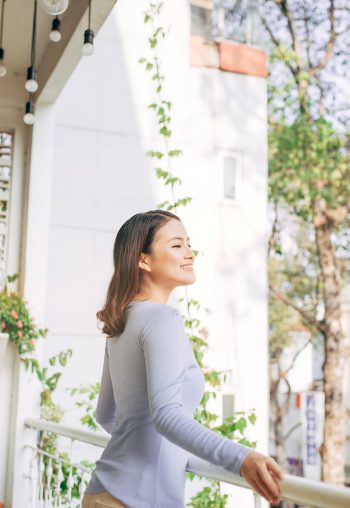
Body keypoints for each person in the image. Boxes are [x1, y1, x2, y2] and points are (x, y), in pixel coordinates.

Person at [82, 210, 284, 508]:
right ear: (144, 260)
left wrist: (167, 450)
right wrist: (241, 458)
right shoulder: (161, 318)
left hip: (101, 492)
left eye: (189, 244)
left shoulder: (122, 321)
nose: (190, 253)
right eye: (177, 245)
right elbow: (165, 416)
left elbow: (107, 415)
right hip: (133, 501)